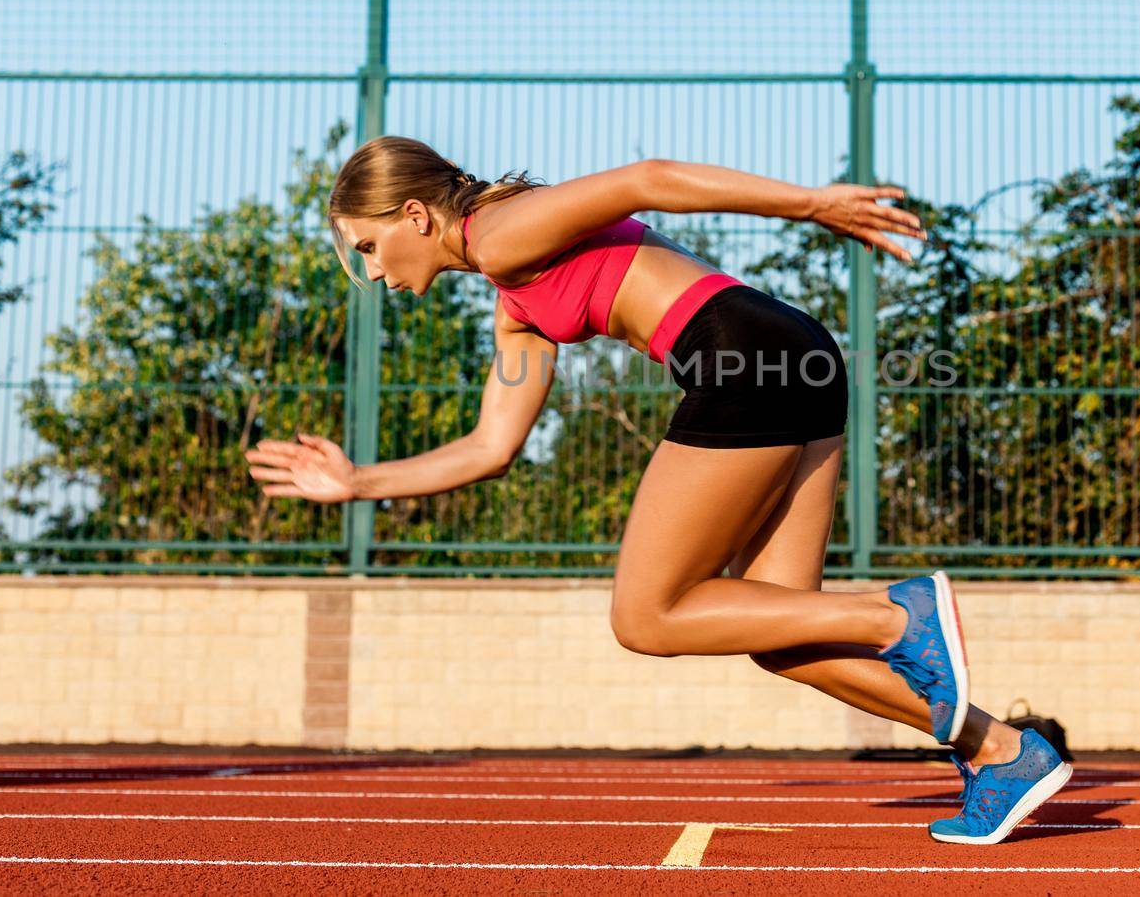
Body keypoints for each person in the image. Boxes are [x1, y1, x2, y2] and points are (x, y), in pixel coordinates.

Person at [244, 135, 1071, 843]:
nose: (373, 270)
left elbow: (649, 177)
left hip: (739, 355)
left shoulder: (500, 233)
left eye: (367, 247)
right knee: (779, 631)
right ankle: (1001, 748)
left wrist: (812, 205)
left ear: (414, 218)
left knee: (646, 614)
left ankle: (897, 614)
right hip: (793, 354)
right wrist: (356, 483)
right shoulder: (514, 301)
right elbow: (492, 446)